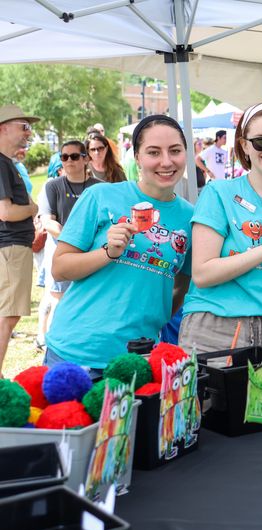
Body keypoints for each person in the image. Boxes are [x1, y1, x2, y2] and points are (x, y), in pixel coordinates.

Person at [44, 115, 194, 375]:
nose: (166, 161)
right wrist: (107, 253)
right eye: (153, 152)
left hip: (137, 359)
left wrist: (149, 317)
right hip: (76, 352)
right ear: (137, 157)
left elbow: (181, 285)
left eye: (175, 151)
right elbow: (59, 267)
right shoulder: (101, 196)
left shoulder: (191, 218)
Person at [178, 103, 262, 353]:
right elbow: (202, 274)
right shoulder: (219, 193)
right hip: (216, 328)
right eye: (261, 141)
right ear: (244, 145)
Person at [40, 141, 102, 320]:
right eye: (64, 157)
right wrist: (74, 241)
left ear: (86, 159)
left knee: (91, 298)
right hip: (61, 249)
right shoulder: (52, 186)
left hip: (93, 251)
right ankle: (49, 341)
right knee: (59, 300)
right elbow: (48, 221)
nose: (68, 161)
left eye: (74, 156)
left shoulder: (100, 187)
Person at [0, 105, 39, 377]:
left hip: (12, 247)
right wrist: (33, 209)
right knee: (7, 316)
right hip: (11, 247)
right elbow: (6, 212)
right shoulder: (1, 163)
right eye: (23, 126)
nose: (28, 132)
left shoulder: (6, 163)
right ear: (3, 127)